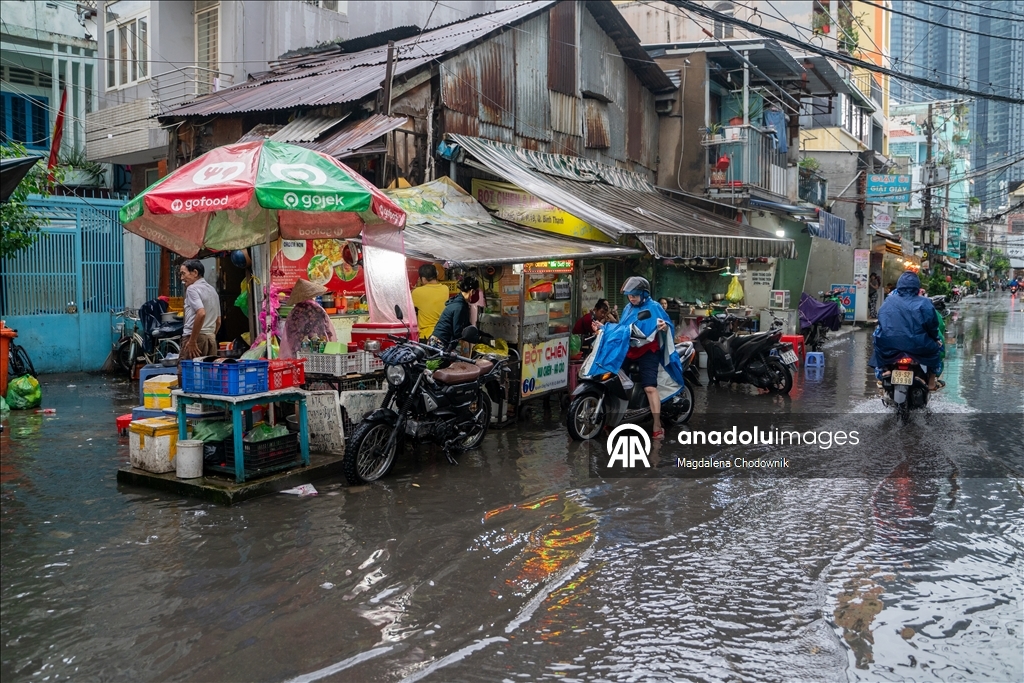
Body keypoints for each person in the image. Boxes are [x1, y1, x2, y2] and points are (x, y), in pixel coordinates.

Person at [592, 277, 684, 441]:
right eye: (629, 295)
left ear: (643, 294)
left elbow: (668, 324)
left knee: (650, 387)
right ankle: (616, 416)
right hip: (630, 350)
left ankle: (656, 425)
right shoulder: (628, 308)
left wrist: (664, 327)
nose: (632, 298)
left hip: (649, 351)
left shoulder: (654, 307)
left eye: (635, 295)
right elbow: (622, 329)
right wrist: (603, 327)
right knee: (613, 379)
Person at [869, 271, 943, 391]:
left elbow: (881, 320)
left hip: (890, 346)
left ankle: (885, 370)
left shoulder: (889, 300)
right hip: (918, 346)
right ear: (917, 286)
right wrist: (935, 338)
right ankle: (931, 382)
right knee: (936, 351)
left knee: (877, 345)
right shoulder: (925, 302)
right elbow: (932, 325)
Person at [179, 259, 221, 360]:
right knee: (207, 374)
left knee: (186, 373)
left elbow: (201, 313)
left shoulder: (192, 289)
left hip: (194, 337)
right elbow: (218, 321)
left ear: (195, 273)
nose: (182, 278)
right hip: (211, 338)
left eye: (183, 274)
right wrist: (210, 337)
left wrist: (193, 340)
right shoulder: (212, 290)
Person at [430, 275, 479, 348]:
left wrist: (480, 335)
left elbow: (466, 325)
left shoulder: (462, 303)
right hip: (439, 342)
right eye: (475, 292)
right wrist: (475, 340)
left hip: (439, 340)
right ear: (472, 291)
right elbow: (457, 332)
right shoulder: (459, 306)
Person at [412, 264, 450, 343]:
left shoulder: (417, 292)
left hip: (427, 336)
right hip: (442, 334)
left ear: (423, 278)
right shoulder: (445, 289)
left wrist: (418, 286)